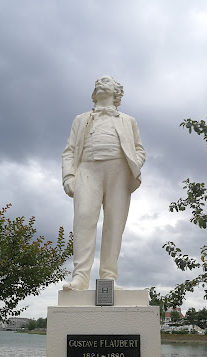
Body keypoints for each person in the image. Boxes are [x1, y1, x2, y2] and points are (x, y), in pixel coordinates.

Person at [62, 75, 145, 290]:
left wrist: (135, 164)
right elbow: (70, 151)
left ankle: (108, 277)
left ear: (116, 91)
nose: (100, 84)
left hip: (118, 170)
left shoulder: (129, 120)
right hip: (87, 168)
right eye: (97, 83)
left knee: (114, 223)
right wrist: (69, 176)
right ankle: (80, 277)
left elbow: (139, 149)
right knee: (83, 218)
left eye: (105, 82)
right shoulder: (80, 119)